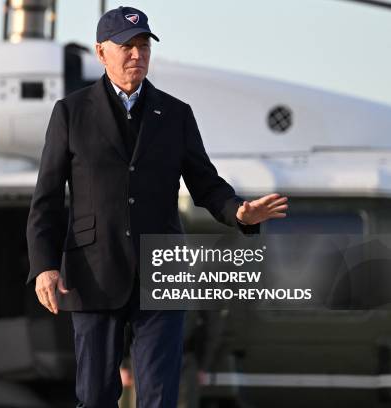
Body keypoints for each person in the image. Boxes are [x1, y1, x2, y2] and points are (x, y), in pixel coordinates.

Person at [26, 6, 288, 407]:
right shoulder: (70, 113)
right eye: (127, 46)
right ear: (101, 52)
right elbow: (46, 199)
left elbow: (207, 185)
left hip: (163, 270)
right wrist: (45, 264)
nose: (137, 54)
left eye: (143, 45)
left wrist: (238, 212)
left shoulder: (176, 114)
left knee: (160, 396)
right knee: (95, 396)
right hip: (93, 271)